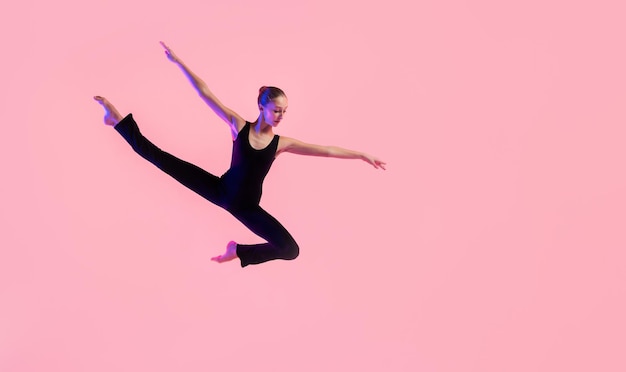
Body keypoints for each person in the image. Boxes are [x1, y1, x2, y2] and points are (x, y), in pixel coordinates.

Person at [94, 41, 386, 268]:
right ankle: (116, 120)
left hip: (247, 209)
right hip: (219, 190)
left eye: (285, 111)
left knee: (290, 250)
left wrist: (361, 154)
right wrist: (178, 62)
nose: (281, 116)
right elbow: (205, 93)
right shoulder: (238, 126)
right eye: (276, 110)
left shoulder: (282, 143)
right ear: (262, 107)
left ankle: (237, 251)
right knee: (157, 157)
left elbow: (326, 151)